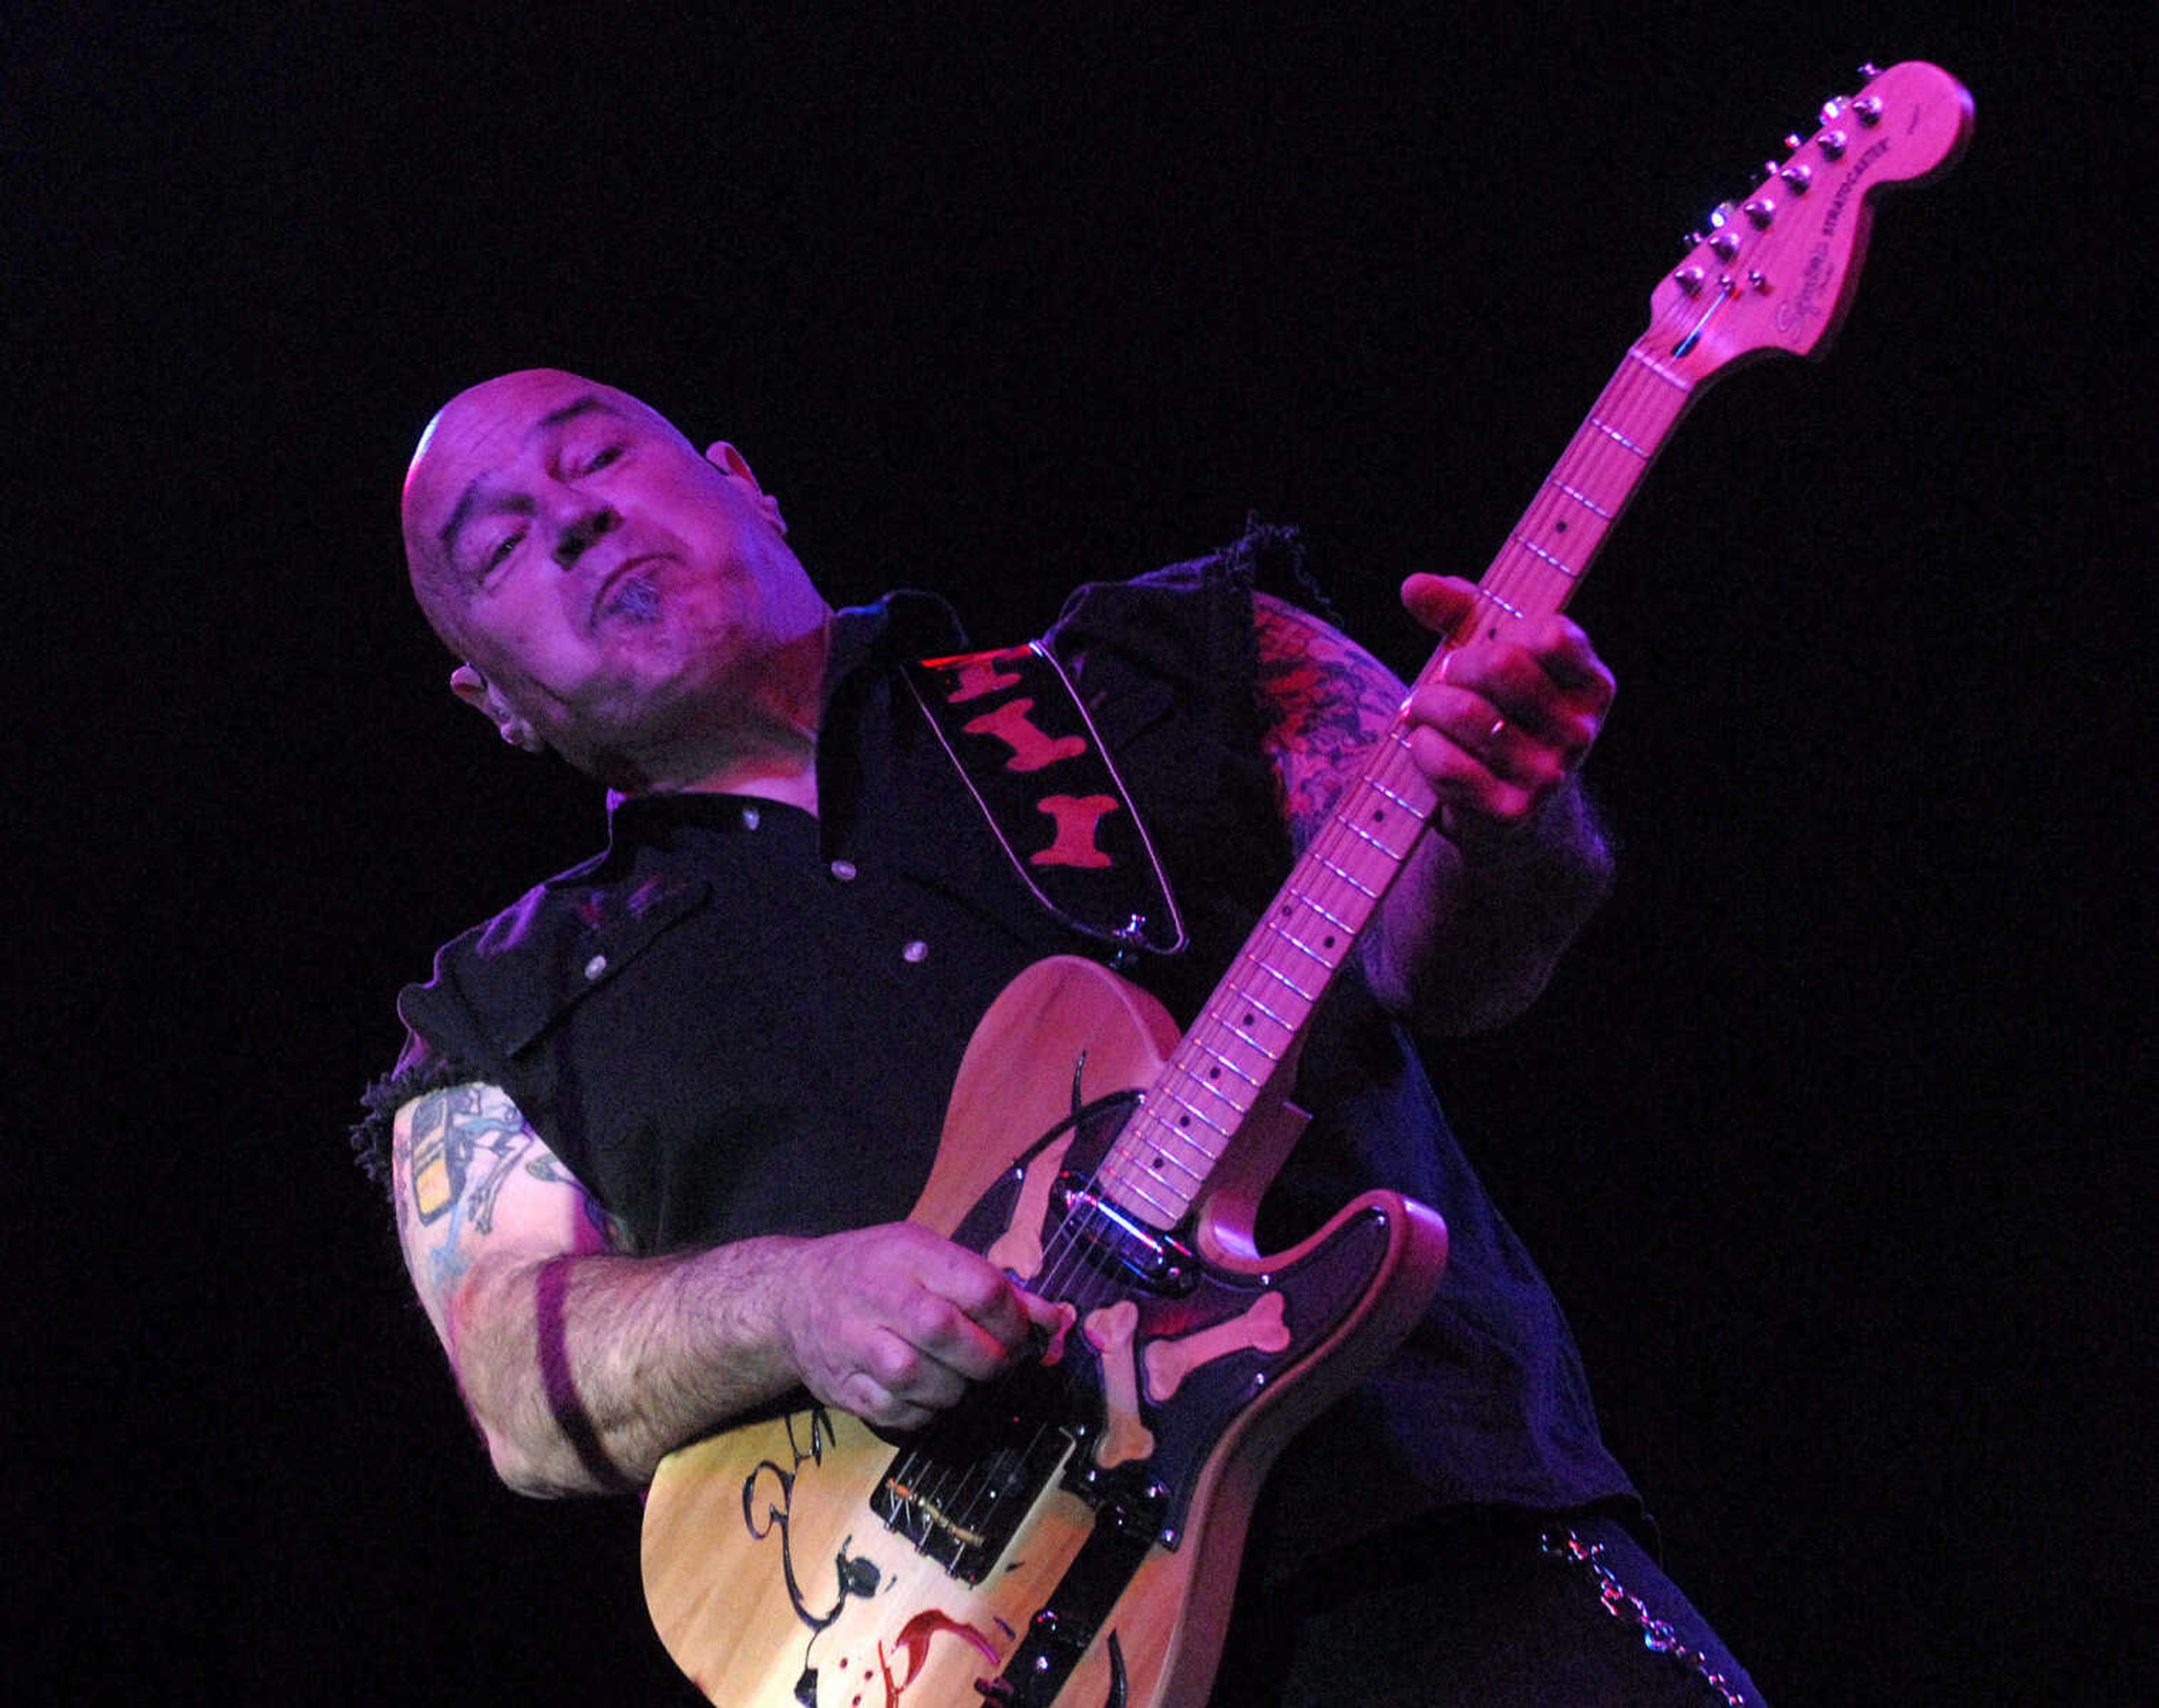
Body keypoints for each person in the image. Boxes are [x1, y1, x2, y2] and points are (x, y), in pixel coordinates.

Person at [357, 367, 1763, 1705]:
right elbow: (522, 1390)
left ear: (744, 485)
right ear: (490, 700)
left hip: (1435, 1540)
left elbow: (1451, 961)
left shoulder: (1172, 664)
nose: (580, 517)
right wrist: (791, 1298)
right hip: (997, 1647)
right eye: (502, 546)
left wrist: (1507, 814)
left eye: (599, 457)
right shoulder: (499, 1008)